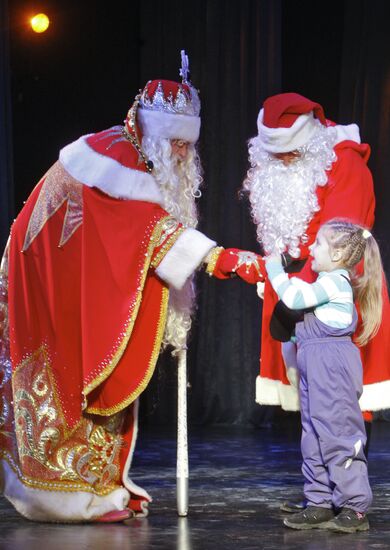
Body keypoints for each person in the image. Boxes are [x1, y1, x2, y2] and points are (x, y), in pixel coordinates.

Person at [0, 53, 227, 522]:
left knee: (105, 368)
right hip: (49, 281)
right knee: (66, 375)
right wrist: (214, 257)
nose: (183, 155)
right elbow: (140, 227)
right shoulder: (114, 160)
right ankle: (57, 494)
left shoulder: (137, 156)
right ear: (151, 132)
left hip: (78, 276)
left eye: (189, 145)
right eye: (175, 144)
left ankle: (98, 486)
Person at [241, 92, 390, 417]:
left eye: (290, 153)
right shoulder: (279, 166)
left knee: (342, 405)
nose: (282, 161)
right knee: (313, 411)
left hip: (336, 291)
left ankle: (346, 466)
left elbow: (341, 246)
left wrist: (293, 291)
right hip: (295, 293)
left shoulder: (345, 163)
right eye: (275, 154)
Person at [264, 219, 384, 533]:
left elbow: (294, 299)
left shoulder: (336, 282)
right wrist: (292, 346)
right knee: (313, 434)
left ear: (340, 253)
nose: (311, 249)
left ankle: (354, 507)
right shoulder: (324, 284)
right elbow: (304, 327)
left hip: (332, 366)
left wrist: (275, 269)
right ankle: (319, 501)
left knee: (339, 434)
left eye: (319, 243)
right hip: (314, 365)